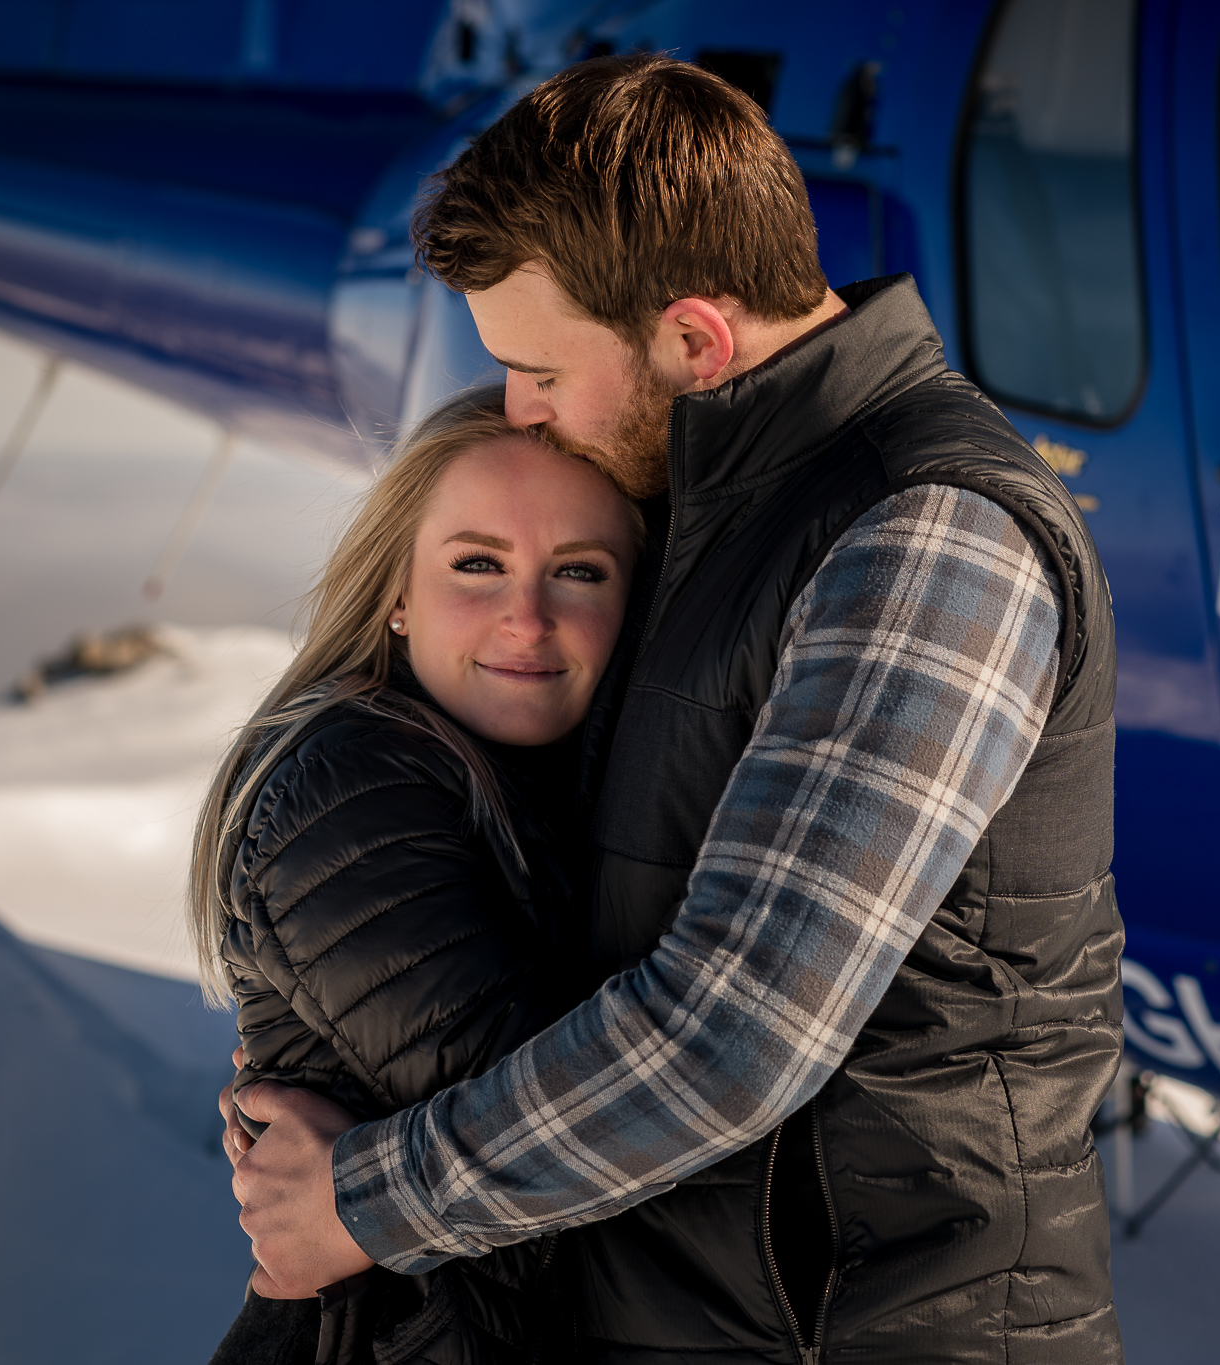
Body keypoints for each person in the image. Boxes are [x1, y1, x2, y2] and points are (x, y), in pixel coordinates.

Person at [227, 54, 1125, 1362]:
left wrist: (362, 1199)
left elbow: (738, 1030)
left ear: (696, 339)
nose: (519, 408)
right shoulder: (721, 514)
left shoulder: (924, 535)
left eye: (539, 367)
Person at [195, 385, 640, 1364]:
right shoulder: (350, 786)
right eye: (476, 564)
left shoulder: (538, 780)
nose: (526, 619)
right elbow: (569, 1142)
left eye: (579, 572)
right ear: (395, 593)